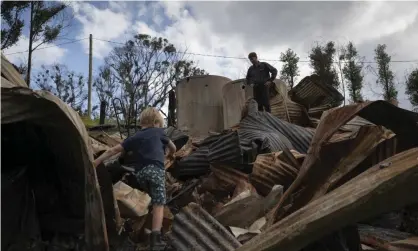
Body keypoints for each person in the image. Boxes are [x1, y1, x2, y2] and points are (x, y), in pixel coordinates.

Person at [93, 107, 176, 251]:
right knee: (159, 203)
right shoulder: (159, 132)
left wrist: (96, 162)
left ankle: (143, 226)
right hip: (156, 171)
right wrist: (169, 155)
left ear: (142, 122)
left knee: (151, 196)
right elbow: (173, 147)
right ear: (157, 123)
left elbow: (113, 150)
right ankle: (155, 239)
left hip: (140, 174)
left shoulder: (135, 137)